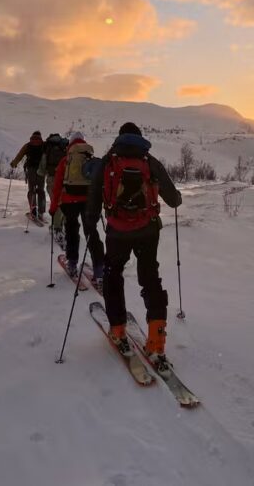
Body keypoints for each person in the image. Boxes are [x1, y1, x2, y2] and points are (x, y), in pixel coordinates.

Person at [86, 122, 182, 369]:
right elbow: (173, 199)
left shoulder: (108, 161)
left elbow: (94, 198)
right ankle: (156, 342)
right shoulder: (149, 161)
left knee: (113, 275)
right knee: (150, 278)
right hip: (148, 231)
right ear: (139, 138)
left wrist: (90, 223)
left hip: (117, 232)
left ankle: (118, 330)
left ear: (120, 138)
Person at [49, 131, 105, 286]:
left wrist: (53, 208)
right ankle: (100, 269)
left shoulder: (66, 160)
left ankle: (72, 263)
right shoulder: (90, 159)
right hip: (88, 202)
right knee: (91, 233)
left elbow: (57, 186)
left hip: (69, 202)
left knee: (72, 231)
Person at [38, 133, 68, 247]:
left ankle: (57, 228)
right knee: (64, 203)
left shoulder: (48, 148)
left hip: (52, 179)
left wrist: (43, 173)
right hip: (65, 180)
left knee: (56, 203)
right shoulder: (64, 147)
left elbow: (41, 169)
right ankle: (63, 225)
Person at [11, 131, 46, 222]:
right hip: (41, 170)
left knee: (32, 190)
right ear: (40, 136)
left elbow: (20, 155)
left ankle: (33, 209)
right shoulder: (44, 144)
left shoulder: (28, 145)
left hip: (31, 170)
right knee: (41, 191)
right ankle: (41, 212)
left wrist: (14, 163)